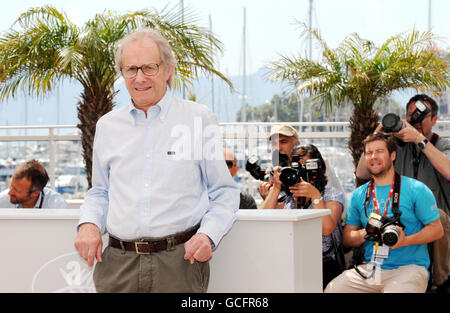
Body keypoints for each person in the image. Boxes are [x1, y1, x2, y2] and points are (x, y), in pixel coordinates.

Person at [74, 29, 240, 293]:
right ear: (122, 73)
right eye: (130, 69)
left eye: (149, 67)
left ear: (168, 69)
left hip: (179, 264)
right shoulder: (107, 125)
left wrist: (208, 235)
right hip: (118, 264)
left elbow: (224, 192)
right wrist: (89, 224)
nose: (139, 78)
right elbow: (100, 192)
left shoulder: (198, 119)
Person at [326, 132, 443, 293]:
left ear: (393, 155)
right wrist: (367, 233)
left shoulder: (416, 189)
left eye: (379, 151)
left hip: (410, 269)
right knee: (333, 289)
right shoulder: (359, 194)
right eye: (369, 153)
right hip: (371, 270)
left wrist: (405, 240)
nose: (373, 157)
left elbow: (437, 230)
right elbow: (347, 238)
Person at [356, 94, 450, 291]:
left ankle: (441, 282)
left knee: (438, 217)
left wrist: (421, 141)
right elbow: (362, 173)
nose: (414, 121)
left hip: (437, 219)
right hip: (402, 218)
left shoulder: (442, 146)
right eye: (410, 116)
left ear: (434, 120)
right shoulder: (398, 148)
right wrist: (379, 132)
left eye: (421, 116)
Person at [261, 144, 346, 289]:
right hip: (289, 261)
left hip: (322, 264)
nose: (300, 174)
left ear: (318, 169)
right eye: (296, 168)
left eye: (305, 167)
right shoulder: (286, 196)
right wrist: (276, 187)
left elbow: (327, 229)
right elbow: (264, 221)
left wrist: (315, 196)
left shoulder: (331, 194)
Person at [0, 159, 68, 209]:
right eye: (11, 186)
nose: (10, 192)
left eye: (16, 190)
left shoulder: (57, 205)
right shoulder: (2, 200)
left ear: (35, 193)